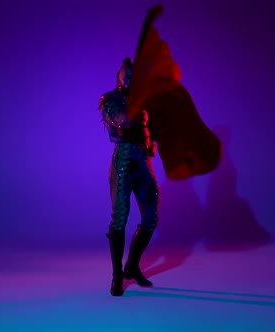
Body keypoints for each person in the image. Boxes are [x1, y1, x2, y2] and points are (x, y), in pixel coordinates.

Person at [99, 57, 161, 297]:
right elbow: (122, 122)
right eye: (128, 77)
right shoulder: (110, 100)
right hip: (123, 162)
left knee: (151, 215)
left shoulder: (144, 100)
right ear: (119, 77)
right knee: (119, 217)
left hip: (143, 163)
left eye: (136, 77)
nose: (132, 81)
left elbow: (153, 129)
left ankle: (131, 266)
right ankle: (116, 275)